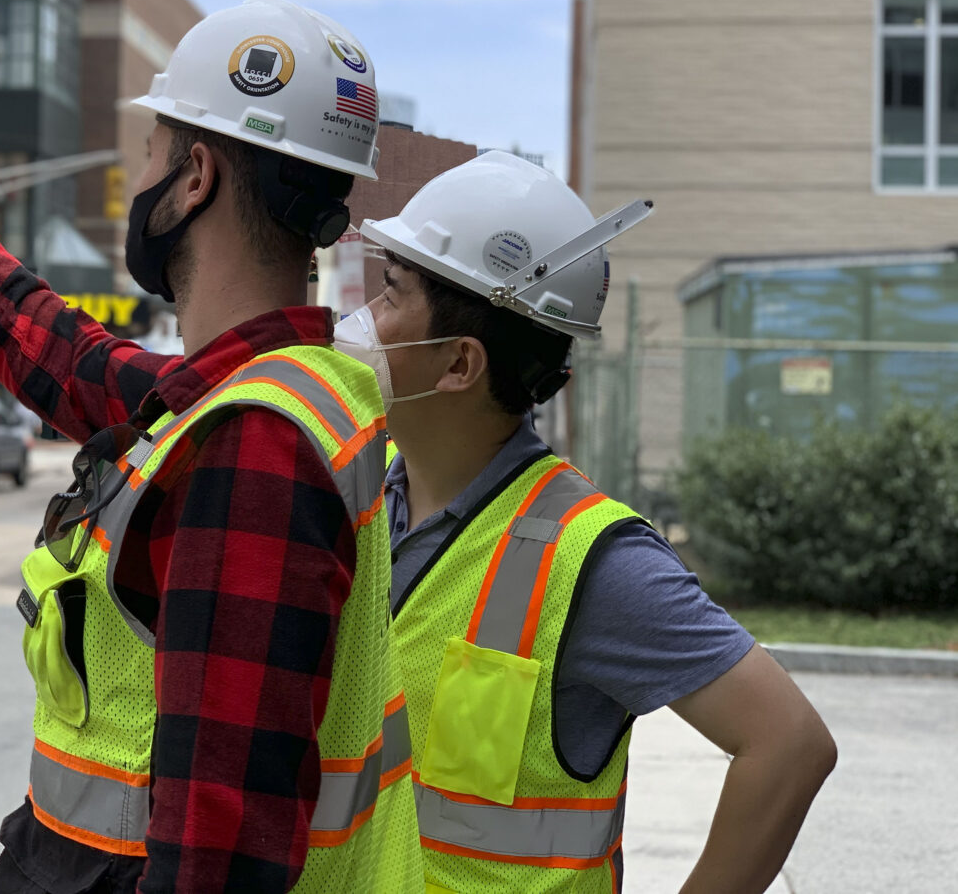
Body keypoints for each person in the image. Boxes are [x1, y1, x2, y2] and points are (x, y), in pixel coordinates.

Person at [0, 0, 422, 894]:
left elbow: (216, 854)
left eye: (151, 150)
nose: (139, 175)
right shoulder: (261, 392)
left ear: (194, 177)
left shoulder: (253, 442)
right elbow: (66, 357)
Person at [331, 152, 837, 894]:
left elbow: (789, 745)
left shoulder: (591, 559)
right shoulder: (365, 497)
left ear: (459, 364)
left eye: (391, 294)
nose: (363, 321)